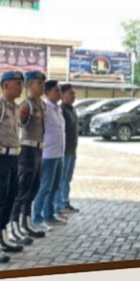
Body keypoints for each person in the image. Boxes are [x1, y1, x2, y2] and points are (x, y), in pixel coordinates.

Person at [0, 70, 27, 263]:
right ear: (6, 85)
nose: (20, 88)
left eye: (21, 84)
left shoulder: (15, 108)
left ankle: (2, 235)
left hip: (13, 159)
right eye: (17, 84)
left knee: (10, 197)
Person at [12, 70, 48, 241]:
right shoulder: (26, 105)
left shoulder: (42, 104)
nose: (42, 86)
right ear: (29, 86)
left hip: (38, 150)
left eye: (42, 83)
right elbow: (20, 123)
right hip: (27, 150)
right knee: (22, 189)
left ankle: (27, 221)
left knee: (34, 187)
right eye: (38, 83)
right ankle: (14, 225)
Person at [31, 80, 67, 228]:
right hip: (48, 154)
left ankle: (49, 214)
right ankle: (37, 218)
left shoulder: (57, 109)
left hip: (59, 153)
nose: (59, 93)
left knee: (56, 185)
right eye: (56, 91)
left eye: (60, 90)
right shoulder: (44, 109)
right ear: (47, 93)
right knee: (45, 186)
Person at [54, 86, 79, 217]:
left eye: (74, 93)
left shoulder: (72, 109)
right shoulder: (61, 110)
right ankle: (59, 205)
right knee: (61, 179)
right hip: (64, 151)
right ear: (63, 95)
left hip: (72, 150)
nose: (73, 96)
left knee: (67, 179)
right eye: (70, 93)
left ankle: (65, 202)